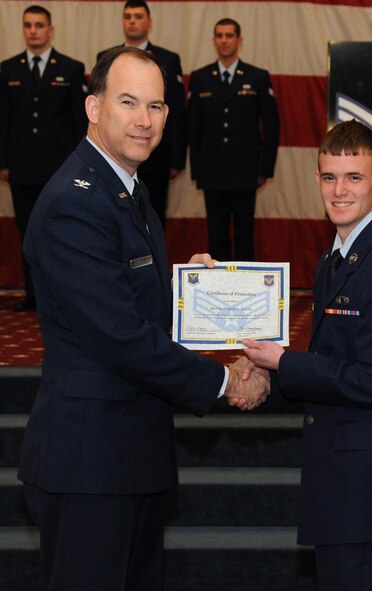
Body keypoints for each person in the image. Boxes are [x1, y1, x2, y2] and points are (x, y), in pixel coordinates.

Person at [17, 47, 268, 590]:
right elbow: (119, 334)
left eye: (155, 106)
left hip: (130, 455)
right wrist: (225, 381)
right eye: (128, 102)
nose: (144, 120)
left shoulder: (127, 189)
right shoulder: (75, 202)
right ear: (94, 107)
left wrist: (190, 294)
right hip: (89, 465)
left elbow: (128, 299)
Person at [242, 120, 372, 590]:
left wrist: (284, 363)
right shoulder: (333, 258)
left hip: (367, 491)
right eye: (329, 177)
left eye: (354, 177)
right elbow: (331, 362)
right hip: (339, 482)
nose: (339, 191)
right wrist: (261, 378)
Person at [0, 5, 86, 312]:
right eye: (28, 25)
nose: (33, 30)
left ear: (51, 30)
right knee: (28, 233)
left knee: (62, 233)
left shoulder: (71, 68)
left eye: (39, 25)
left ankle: (62, 295)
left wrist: (81, 164)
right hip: (22, 167)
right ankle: (33, 295)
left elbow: (79, 122)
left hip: (60, 169)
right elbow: (3, 119)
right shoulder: (8, 69)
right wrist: (3, 162)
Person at [188, 17, 280, 262]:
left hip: (246, 170)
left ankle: (244, 281)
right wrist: (197, 170)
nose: (224, 40)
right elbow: (193, 128)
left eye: (229, 35)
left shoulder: (257, 77)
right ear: (214, 40)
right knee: (216, 234)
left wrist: (265, 169)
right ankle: (218, 281)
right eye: (219, 35)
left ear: (239, 40)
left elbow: (271, 128)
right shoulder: (200, 78)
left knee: (244, 235)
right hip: (212, 170)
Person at [97, 0, 187, 227]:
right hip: (114, 155)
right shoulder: (106, 57)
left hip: (156, 157)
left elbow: (176, 113)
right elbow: (101, 110)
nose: (132, 21)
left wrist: (177, 159)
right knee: (113, 219)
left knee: (153, 220)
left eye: (138, 16)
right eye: (128, 17)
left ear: (149, 22)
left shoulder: (168, 59)